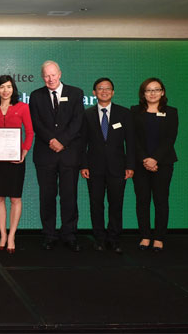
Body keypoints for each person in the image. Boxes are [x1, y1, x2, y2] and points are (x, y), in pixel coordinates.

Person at [29, 61, 84, 252]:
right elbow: (36, 122)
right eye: (46, 75)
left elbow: (78, 121)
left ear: (60, 74)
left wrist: (62, 141)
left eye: (53, 75)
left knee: (69, 196)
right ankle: (49, 234)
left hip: (69, 154)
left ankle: (69, 234)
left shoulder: (76, 93)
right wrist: (51, 140)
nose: (50, 79)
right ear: (42, 76)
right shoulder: (36, 96)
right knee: (47, 197)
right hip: (45, 154)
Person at [80, 78, 135, 254]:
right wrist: (83, 165)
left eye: (108, 89)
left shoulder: (124, 114)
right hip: (93, 168)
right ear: (94, 92)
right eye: (100, 88)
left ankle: (114, 238)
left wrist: (130, 165)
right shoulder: (86, 114)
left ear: (113, 92)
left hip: (118, 167)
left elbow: (131, 143)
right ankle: (100, 239)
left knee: (116, 204)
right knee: (96, 205)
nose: (104, 91)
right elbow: (82, 143)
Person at [0, 75, 34, 254]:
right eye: (2, 87)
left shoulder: (23, 107)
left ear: (13, 89)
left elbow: (29, 132)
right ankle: (3, 235)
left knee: (15, 198)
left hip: (15, 157)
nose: (6, 90)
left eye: (9, 87)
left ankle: (12, 235)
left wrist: (24, 152)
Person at [131, 78, 178, 252]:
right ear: (143, 93)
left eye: (156, 90)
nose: (152, 93)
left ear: (162, 92)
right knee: (142, 200)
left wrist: (155, 159)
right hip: (140, 163)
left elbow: (170, 139)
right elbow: (133, 139)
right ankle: (145, 236)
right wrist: (145, 159)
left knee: (161, 200)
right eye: (148, 90)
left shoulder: (171, 112)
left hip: (163, 163)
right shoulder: (134, 111)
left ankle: (158, 237)